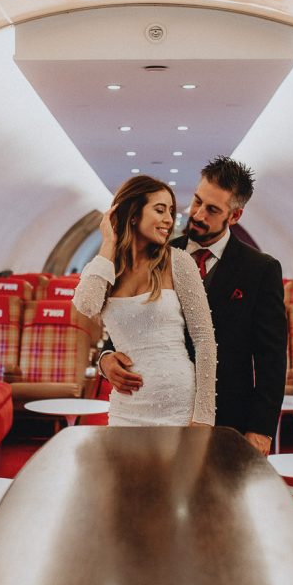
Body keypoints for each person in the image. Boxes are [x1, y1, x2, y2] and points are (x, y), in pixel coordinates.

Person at [100, 157, 287, 455]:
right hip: (153, 406)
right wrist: (106, 357)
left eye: (212, 209)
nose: (197, 214)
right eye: (197, 201)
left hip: (227, 415)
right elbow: (129, 316)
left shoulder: (260, 270)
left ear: (235, 215)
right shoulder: (158, 253)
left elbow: (271, 358)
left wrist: (261, 428)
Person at [73, 175, 216, 427]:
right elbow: (86, 305)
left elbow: (204, 340)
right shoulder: (105, 268)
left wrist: (204, 415)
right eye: (159, 210)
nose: (169, 220)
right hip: (126, 404)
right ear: (133, 214)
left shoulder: (179, 262)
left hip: (178, 403)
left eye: (171, 211)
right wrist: (108, 244)